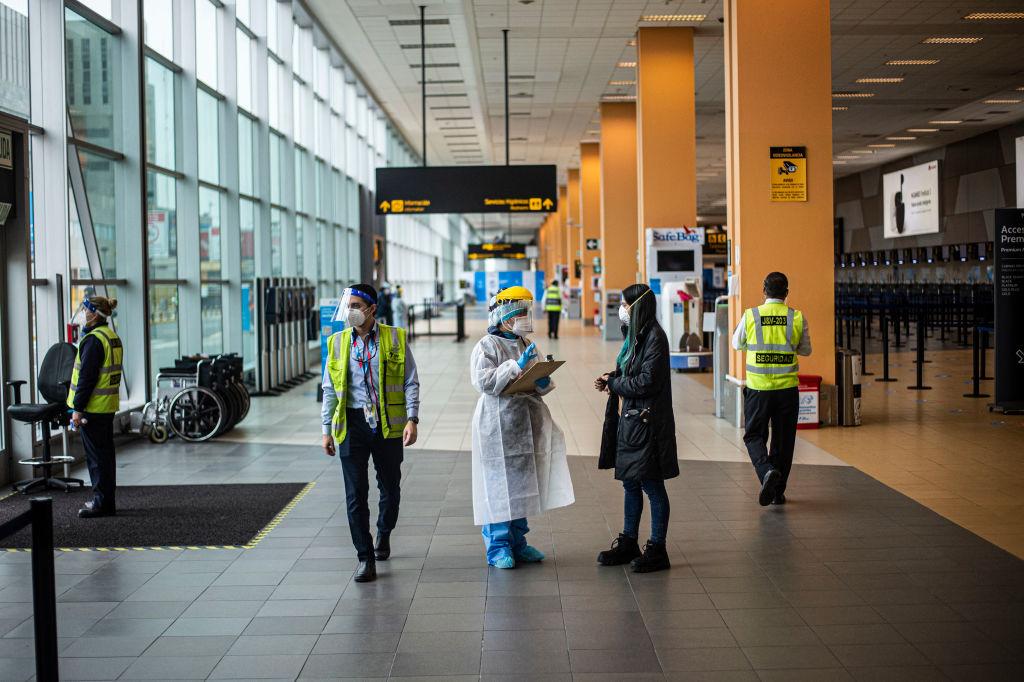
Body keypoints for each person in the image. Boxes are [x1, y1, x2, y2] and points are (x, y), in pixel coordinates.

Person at [322, 284, 420, 583]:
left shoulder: (395, 338)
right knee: (355, 494)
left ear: (371, 308)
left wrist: (412, 419)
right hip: (351, 424)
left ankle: (384, 532)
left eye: (355, 304)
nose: (349, 310)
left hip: (388, 422)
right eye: (346, 304)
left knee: (390, 487)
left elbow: (411, 382)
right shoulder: (338, 342)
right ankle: (365, 557)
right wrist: (326, 429)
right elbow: (329, 388)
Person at [470, 286, 574, 569]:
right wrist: (515, 366)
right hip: (498, 424)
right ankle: (499, 546)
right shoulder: (487, 346)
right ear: (504, 315)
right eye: (520, 313)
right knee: (498, 487)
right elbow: (484, 382)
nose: (525, 318)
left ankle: (519, 542)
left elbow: (538, 379)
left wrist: (541, 379)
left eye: (527, 313)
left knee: (521, 486)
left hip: (524, 424)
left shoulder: (524, 342)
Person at [594, 283, 678, 573]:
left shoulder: (655, 337)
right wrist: (612, 377)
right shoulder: (635, 337)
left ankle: (658, 548)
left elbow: (646, 382)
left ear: (638, 306)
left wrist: (616, 383)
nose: (622, 309)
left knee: (652, 484)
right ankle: (629, 540)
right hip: (631, 420)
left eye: (626, 304)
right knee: (631, 482)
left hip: (648, 423)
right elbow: (632, 371)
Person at [731, 272, 811, 506]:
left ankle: (766, 472)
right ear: (786, 293)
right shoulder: (796, 317)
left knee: (754, 435)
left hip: (758, 389)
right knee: (784, 441)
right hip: (787, 390)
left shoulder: (751, 315)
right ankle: (777, 492)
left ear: (763, 290)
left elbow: (737, 343)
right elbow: (806, 350)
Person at [66, 296, 123, 518]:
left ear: (93, 314)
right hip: (106, 407)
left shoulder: (93, 340)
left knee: (97, 459)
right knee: (105, 457)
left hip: (93, 408)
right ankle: (106, 499)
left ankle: (102, 504)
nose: (82, 313)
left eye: (84, 309)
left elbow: (87, 379)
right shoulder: (111, 336)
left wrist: (77, 409)